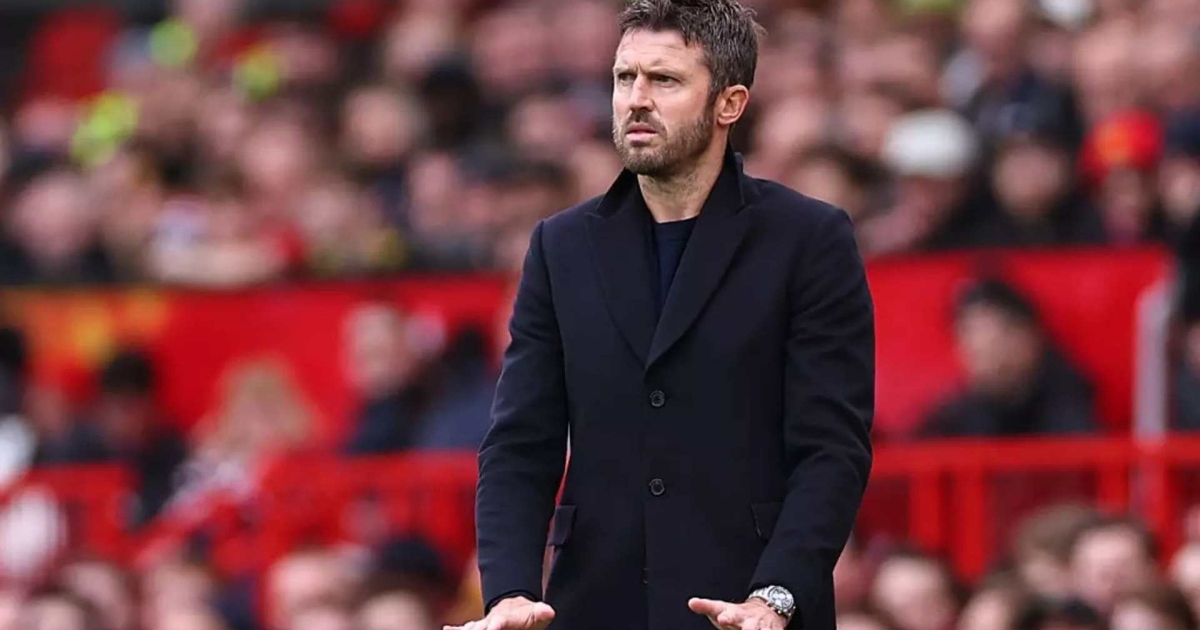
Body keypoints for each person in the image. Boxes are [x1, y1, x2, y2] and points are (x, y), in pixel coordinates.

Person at [451, 1, 875, 629]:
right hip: (594, 605)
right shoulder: (560, 247)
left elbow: (831, 448)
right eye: (625, 78)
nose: (636, 100)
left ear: (729, 103)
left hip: (749, 608)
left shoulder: (809, 239)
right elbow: (520, 442)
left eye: (665, 80)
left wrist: (777, 595)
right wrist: (508, 590)